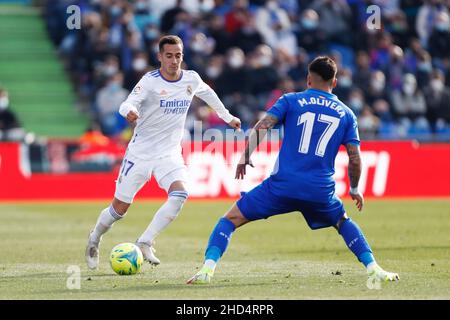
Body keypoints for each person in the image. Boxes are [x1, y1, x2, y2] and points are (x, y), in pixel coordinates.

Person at [187, 56, 399, 285]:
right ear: (335, 82)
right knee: (342, 222)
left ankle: (207, 270)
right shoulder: (347, 114)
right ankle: (373, 268)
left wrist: (245, 156)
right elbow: (354, 158)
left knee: (230, 219)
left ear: (308, 79)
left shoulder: (291, 100)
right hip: (320, 190)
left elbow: (263, 125)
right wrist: (355, 188)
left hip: (283, 185)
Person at [85, 35, 241, 269]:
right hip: (140, 153)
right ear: (159, 57)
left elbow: (208, 94)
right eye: (169, 55)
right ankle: (95, 237)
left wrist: (227, 117)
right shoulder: (149, 81)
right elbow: (127, 103)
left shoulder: (190, 79)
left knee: (180, 194)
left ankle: (145, 240)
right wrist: (129, 112)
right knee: (119, 209)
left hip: (169, 154)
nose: (174, 60)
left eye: (178, 55)